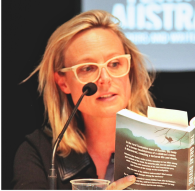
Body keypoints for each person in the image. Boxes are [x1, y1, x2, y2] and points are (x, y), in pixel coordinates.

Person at [12, 10, 155, 189]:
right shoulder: (39, 152)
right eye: (88, 68)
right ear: (63, 82)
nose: (105, 78)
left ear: (130, 68)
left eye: (114, 64)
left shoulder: (163, 145)